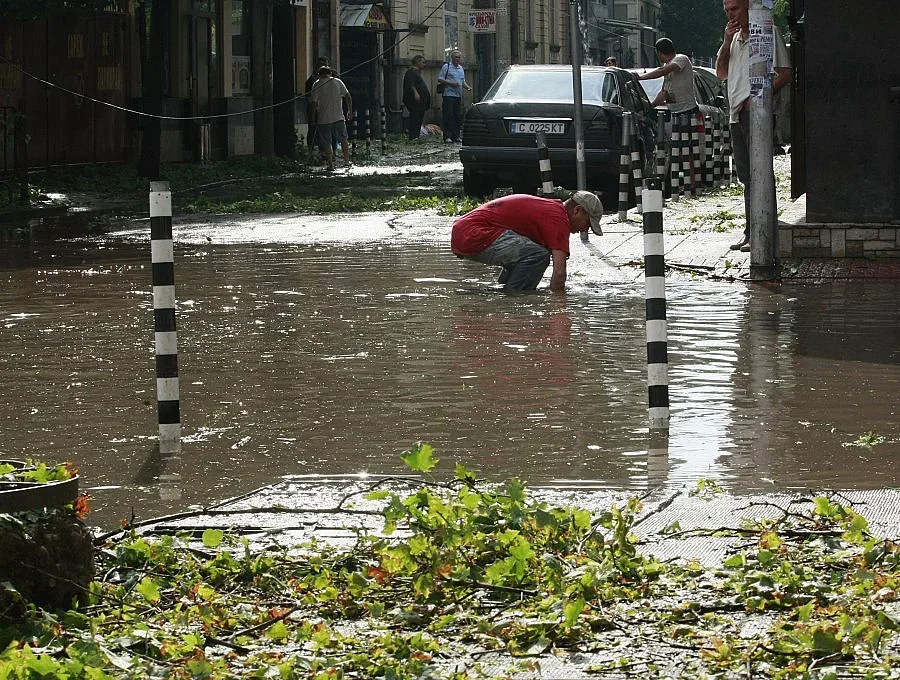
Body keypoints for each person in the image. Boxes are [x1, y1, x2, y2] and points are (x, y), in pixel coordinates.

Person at [716, 0, 791, 252]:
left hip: (755, 113)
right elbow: (721, 73)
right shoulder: (734, 38)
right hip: (736, 114)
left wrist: (757, 97)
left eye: (735, 9)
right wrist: (726, 42)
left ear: (748, 8)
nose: (731, 14)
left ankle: (764, 231)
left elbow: (784, 72)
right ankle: (752, 231)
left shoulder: (769, 32)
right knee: (747, 176)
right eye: (727, 10)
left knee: (760, 174)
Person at [450, 192, 604, 294]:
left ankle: (505, 292)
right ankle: (513, 299)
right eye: (587, 224)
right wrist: (559, 305)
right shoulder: (558, 219)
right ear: (577, 210)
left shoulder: (551, 210)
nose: (585, 229)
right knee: (539, 256)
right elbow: (559, 273)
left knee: (531, 254)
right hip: (474, 233)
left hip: (464, 230)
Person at [308, 64, 353, 172]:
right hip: (339, 117)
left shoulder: (317, 84)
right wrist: (350, 111)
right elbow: (348, 96)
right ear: (330, 73)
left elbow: (313, 103)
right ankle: (346, 162)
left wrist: (312, 118)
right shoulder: (337, 82)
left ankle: (331, 165)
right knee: (343, 139)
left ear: (319, 75)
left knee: (327, 143)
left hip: (324, 119)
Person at [638, 38, 698, 114]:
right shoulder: (666, 65)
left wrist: (641, 77)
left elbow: (661, 71)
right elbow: (664, 93)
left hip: (688, 110)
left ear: (659, 52)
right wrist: (651, 106)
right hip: (674, 112)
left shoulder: (681, 59)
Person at [438, 50, 471, 143]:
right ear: (452, 58)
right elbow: (440, 78)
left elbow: (462, 81)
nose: (458, 59)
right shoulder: (446, 67)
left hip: (458, 95)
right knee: (448, 116)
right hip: (448, 95)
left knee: (457, 116)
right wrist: (451, 83)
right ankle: (447, 136)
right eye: (456, 57)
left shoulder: (461, 68)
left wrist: (467, 87)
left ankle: (456, 136)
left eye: (459, 57)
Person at [402, 55, 431, 140]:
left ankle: (416, 136)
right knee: (415, 117)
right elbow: (411, 84)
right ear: (417, 62)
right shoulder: (411, 72)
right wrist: (415, 93)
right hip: (414, 101)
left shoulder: (417, 72)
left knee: (419, 118)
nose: (424, 65)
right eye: (423, 62)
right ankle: (413, 136)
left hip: (420, 102)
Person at [305, 57, 329, 149]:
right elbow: (309, 99)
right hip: (314, 110)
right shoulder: (311, 81)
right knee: (312, 129)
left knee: (324, 131)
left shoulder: (330, 80)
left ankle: (324, 151)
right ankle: (312, 149)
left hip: (324, 109)